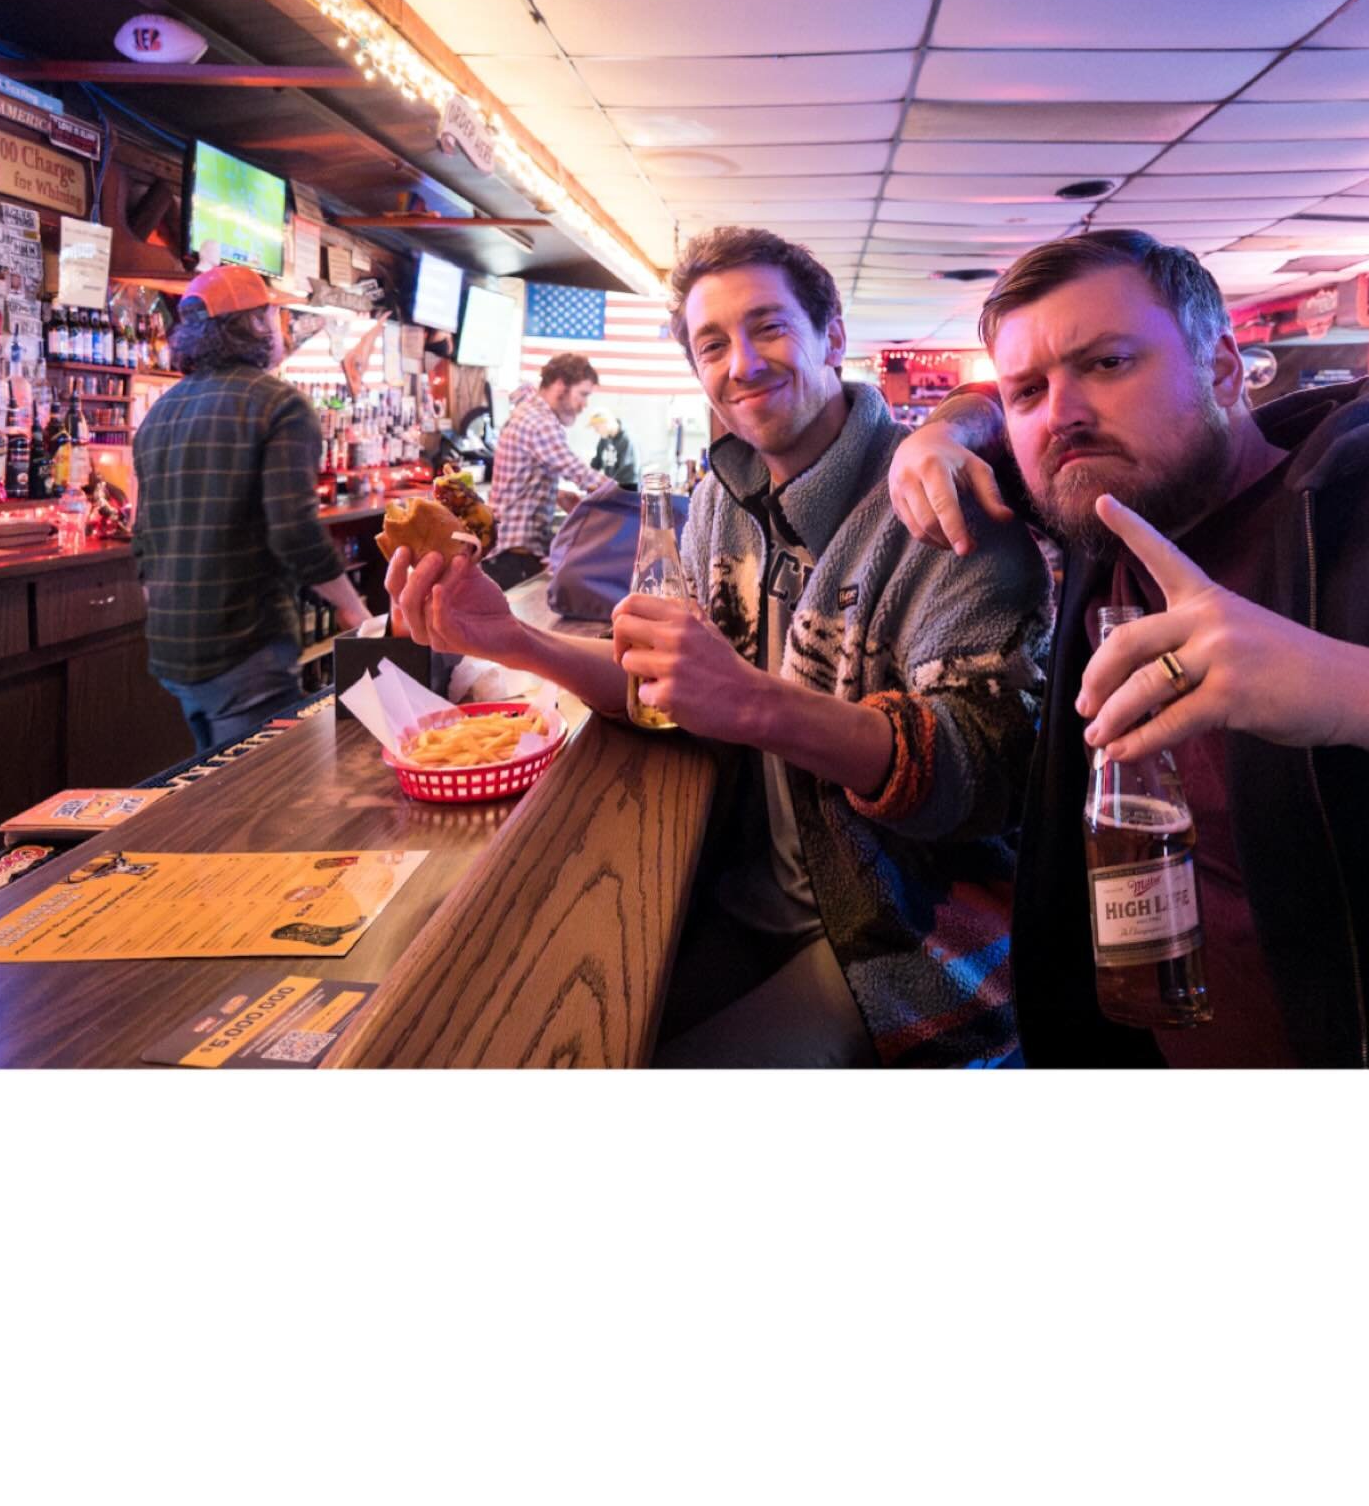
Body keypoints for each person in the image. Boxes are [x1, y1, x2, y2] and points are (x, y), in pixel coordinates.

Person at [387, 226, 1051, 1067]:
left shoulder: (937, 498)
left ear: (831, 337)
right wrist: (512, 640)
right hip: (738, 890)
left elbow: (991, 776)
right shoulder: (717, 502)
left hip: (900, 942)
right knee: (509, 1022)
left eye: (768, 327)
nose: (741, 363)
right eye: (712, 344)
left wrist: (749, 702)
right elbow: (669, 690)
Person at [887, 229, 1369, 1068]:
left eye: (1108, 363)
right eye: (1030, 392)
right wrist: (938, 432)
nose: (1062, 415)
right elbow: (988, 406)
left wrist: (1358, 692)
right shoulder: (1105, 502)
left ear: (1224, 371)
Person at [132, 266, 371, 754]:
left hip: (173, 648)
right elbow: (294, 530)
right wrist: (354, 609)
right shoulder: (279, 405)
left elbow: (144, 539)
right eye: (273, 314)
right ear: (256, 324)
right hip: (242, 641)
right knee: (261, 791)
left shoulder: (160, 412)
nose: (281, 326)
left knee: (213, 780)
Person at [486, 352, 614, 588]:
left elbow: (523, 478)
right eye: (583, 394)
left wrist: (555, 495)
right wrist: (631, 499)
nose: (584, 405)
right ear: (560, 385)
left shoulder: (528, 412)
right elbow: (580, 473)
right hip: (512, 558)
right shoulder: (539, 421)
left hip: (509, 553)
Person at [586, 409, 639, 487]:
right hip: (611, 486)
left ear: (606, 423)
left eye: (597, 428)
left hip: (627, 488)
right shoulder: (605, 437)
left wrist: (605, 486)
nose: (596, 431)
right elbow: (597, 461)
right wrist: (588, 477)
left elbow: (625, 471)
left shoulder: (627, 440)